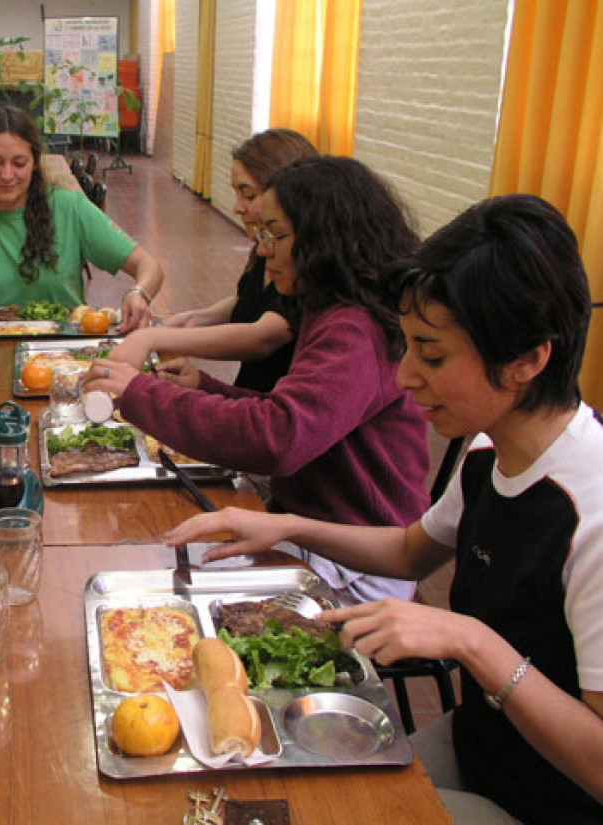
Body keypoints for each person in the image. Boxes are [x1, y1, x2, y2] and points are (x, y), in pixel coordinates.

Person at [167, 195, 603, 824]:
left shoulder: (588, 514)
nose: (403, 379)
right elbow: (408, 549)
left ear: (527, 362)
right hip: (480, 748)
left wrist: (473, 642)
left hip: (542, 801)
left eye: (432, 355)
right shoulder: (489, 454)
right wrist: (283, 524)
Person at [86, 156, 429, 604]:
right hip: (316, 525)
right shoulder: (331, 307)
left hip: (358, 559)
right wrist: (205, 387)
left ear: (327, 239)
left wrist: (137, 392)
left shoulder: (353, 331)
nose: (263, 250)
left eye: (276, 235)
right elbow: (296, 416)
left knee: (157, 583)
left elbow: (278, 438)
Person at [0, 105, 165, 333]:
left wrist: (139, 293)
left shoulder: (69, 207)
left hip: (63, 349)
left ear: (35, 163)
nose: (6, 175)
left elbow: (149, 266)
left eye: (19, 163)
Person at [108, 128, 317, 392]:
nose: (237, 207)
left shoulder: (302, 267)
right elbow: (248, 302)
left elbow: (262, 337)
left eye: (249, 195)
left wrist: (155, 337)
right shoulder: (265, 251)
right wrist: (185, 322)